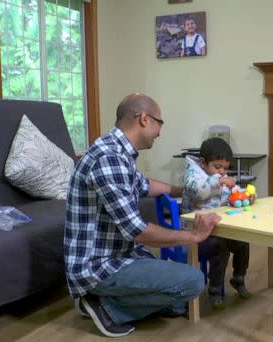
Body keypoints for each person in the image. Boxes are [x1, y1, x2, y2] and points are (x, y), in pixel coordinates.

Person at [64, 93, 221, 337]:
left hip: (120, 254)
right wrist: (194, 236)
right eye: (160, 123)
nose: (160, 131)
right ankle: (106, 306)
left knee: (179, 304)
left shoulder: (118, 153)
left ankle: (110, 299)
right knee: (193, 282)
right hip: (99, 266)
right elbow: (138, 231)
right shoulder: (109, 158)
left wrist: (185, 190)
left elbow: (144, 185)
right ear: (145, 119)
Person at [181, 137, 252, 309]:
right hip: (195, 235)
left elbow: (233, 189)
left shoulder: (220, 176)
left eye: (225, 168)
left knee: (243, 241)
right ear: (203, 162)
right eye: (217, 167)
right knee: (220, 247)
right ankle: (214, 289)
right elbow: (199, 191)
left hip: (219, 228)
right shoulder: (193, 176)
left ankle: (238, 278)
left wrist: (244, 195)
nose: (222, 172)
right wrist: (220, 182)